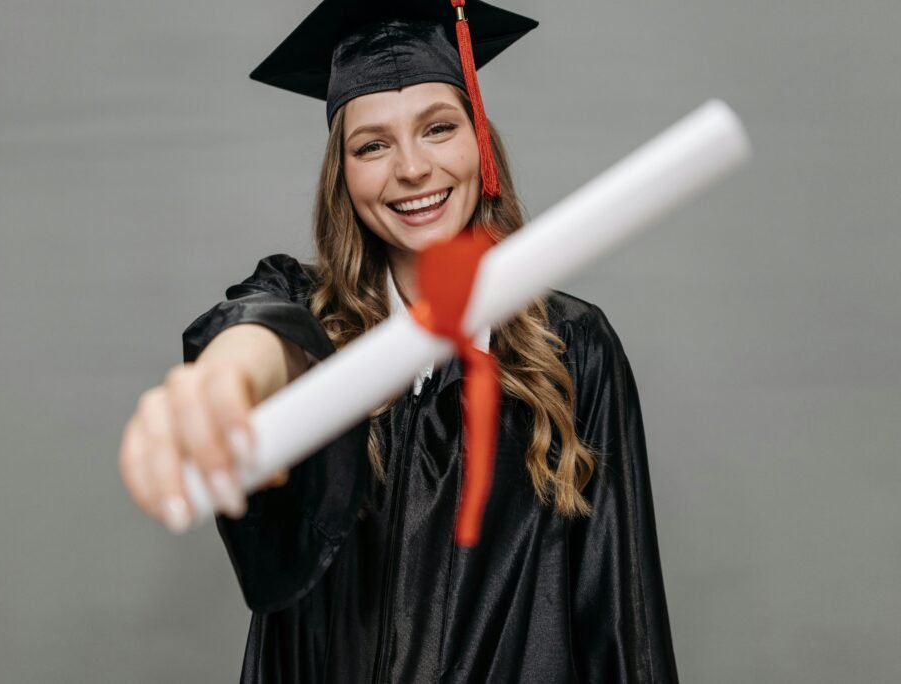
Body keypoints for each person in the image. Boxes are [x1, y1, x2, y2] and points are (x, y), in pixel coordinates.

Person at [118, 1, 679, 681]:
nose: (412, 169)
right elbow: (259, 334)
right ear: (342, 176)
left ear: (481, 144)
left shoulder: (571, 350)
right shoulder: (308, 315)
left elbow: (621, 623)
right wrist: (228, 377)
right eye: (372, 145)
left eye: (438, 128)